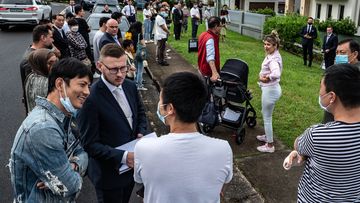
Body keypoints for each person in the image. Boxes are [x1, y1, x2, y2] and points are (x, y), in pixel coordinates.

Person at [134, 72, 233, 202]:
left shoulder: (143, 148)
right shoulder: (223, 149)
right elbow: (223, 185)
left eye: (160, 100)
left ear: (169, 108)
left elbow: (139, 179)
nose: (159, 104)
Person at [9, 57, 92, 202]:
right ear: (60, 84)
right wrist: (73, 173)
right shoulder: (44, 128)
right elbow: (69, 187)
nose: (87, 92)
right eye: (82, 84)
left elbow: (83, 152)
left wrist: (72, 166)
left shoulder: (65, 116)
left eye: (88, 86)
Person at [77, 43, 148, 203]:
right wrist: (123, 156)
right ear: (100, 66)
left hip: (130, 170)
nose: (120, 74)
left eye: (123, 68)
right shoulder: (91, 99)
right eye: (114, 69)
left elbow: (141, 113)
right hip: (108, 175)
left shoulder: (130, 86)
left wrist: (141, 131)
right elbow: (89, 144)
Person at [286, 63, 360, 202]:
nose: (320, 93)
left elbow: (298, 145)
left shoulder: (317, 135)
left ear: (331, 96)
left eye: (321, 87)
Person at [256, 31, 282, 153]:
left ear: (275, 46)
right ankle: (268, 136)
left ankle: (270, 146)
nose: (266, 46)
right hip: (272, 89)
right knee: (267, 115)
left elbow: (276, 73)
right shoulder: (274, 55)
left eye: (269, 45)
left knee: (267, 117)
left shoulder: (273, 59)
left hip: (270, 90)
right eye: (265, 44)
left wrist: (266, 78)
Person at [322, 38, 360, 123]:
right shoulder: (338, 70)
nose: (338, 56)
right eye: (337, 53)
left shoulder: (354, 75)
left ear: (354, 54)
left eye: (342, 53)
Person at [20, 24, 54, 114]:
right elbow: (34, 91)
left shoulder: (37, 55)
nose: (53, 40)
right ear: (43, 38)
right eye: (51, 37)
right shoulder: (30, 60)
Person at [198, 16, 222, 82]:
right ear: (215, 26)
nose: (221, 28)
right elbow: (210, 57)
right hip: (208, 73)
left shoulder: (203, 34)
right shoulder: (210, 38)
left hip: (202, 69)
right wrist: (214, 73)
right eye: (220, 26)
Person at [129, 21, 147, 90]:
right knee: (140, 69)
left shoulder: (129, 33)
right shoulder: (139, 34)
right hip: (138, 53)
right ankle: (139, 85)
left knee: (135, 69)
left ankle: (135, 82)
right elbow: (143, 44)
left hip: (131, 53)